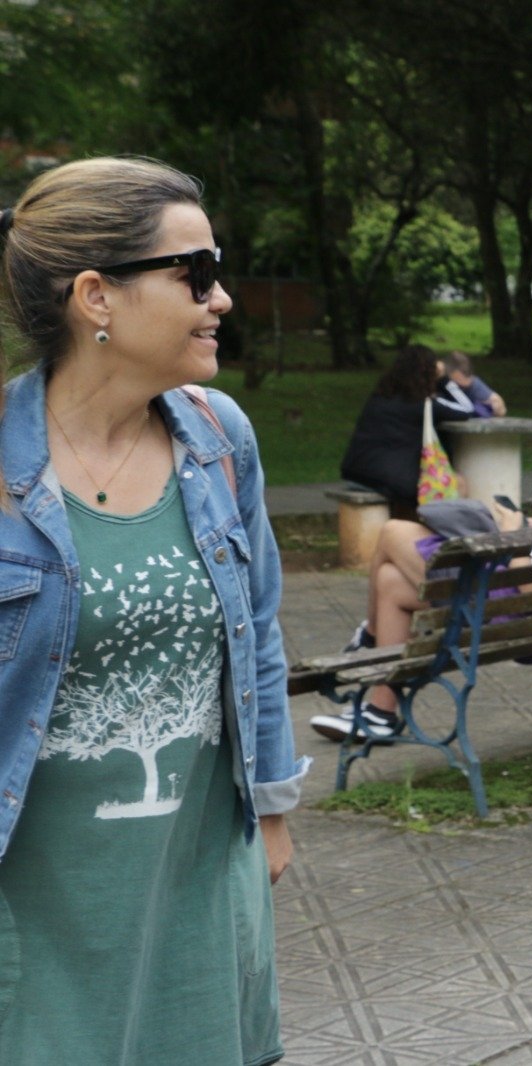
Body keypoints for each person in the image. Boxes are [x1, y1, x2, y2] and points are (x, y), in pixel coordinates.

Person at [0, 156, 308, 1063]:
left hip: (198, 868)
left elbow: (258, 627)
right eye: (196, 273)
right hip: (40, 890)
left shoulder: (218, 437)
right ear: (97, 296)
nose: (222, 300)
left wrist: (276, 809)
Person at [312, 374, 532, 741]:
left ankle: (369, 640)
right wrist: (530, 526)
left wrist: (511, 530)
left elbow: (530, 584)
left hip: (502, 609)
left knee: (393, 533)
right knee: (390, 582)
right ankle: (379, 712)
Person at [338, 343, 472, 519]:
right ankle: (435, 540)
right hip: (389, 478)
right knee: (456, 484)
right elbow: (466, 409)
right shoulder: (423, 404)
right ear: (429, 373)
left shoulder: (379, 396)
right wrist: (445, 380)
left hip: (355, 471)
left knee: (409, 489)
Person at [437, 348, 506, 418]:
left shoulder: (473, 383)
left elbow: (500, 409)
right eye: (457, 385)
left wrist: (495, 405)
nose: (459, 389)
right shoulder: (436, 378)